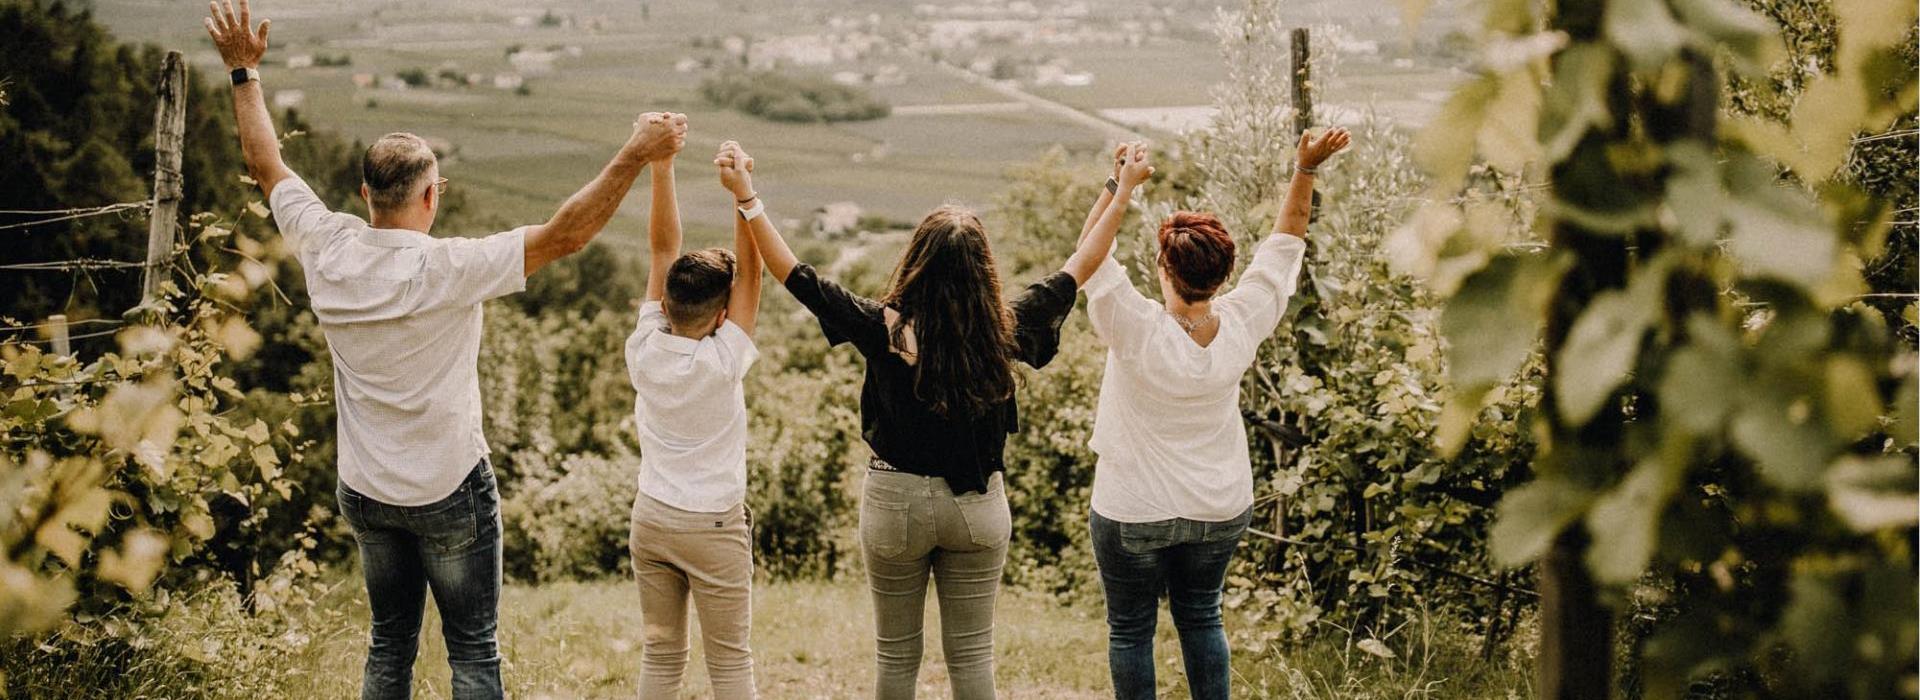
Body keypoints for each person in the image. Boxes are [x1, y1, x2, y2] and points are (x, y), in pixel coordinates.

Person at [203, 3, 686, 698]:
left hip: (365, 490)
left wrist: (242, 71)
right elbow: (566, 236)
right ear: (433, 196)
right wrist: (636, 154)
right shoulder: (450, 267)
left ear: (366, 193)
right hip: (448, 490)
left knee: (388, 646)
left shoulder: (326, 244)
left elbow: (264, 160)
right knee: (473, 653)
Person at [719, 140, 1155, 699]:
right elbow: (1083, 262)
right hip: (978, 510)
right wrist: (1119, 188)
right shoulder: (1007, 327)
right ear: (982, 268)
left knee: (896, 659)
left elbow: (795, 274)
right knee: (973, 660)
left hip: (894, 504)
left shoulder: (884, 328)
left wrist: (747, 197)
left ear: (917, 261)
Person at [1073, 127, 1350, 700]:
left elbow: (1088, 255)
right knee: (1202, 618)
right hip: (1218, 505)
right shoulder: (1246, 317)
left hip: (1133, 509)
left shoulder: (1132, 324)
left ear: (1162, 271)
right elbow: (1287, 238)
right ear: (1224, 275)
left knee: (1130, 631)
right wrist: (1305, 169)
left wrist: (1119, 186)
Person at [624, 140, 763, 700]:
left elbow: (663, 250)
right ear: (723, 316)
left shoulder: (644, 347)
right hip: (712, 525)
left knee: (661, 655)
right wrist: (741, 192)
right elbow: (753, 275)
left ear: (667, 305)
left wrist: (661, 166)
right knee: (730, 663)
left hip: (651, 518)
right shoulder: (723, 360)